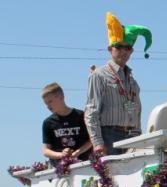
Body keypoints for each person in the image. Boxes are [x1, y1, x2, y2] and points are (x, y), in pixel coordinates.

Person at [84, 12, 152, 155]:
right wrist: (97, 143)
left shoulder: (132, 81)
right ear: (110, 49)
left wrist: (138, 137)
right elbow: (91, 112)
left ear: (131, 51)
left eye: (127, 48)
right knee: (113, 177)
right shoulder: (99, 75)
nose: (123, 51)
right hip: (110, 136)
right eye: (118, 46)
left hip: (132, 136)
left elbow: (137, 111)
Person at [42, 83, 92, 167]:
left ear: (61, 97)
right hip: (60, 169)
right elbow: (46, 151)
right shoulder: (48, 122)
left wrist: (77, 152)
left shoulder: (81, 116)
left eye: (50, 102)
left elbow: (91, 140)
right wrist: (62, 155)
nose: (48, 106)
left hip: (83, 165)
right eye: (46, 103)